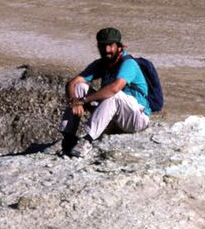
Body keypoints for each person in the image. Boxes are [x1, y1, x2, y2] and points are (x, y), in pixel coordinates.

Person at [60, 27, 150, 157]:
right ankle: (68, 137)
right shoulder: (102, 63)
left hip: (135, 119)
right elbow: (72, 83)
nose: (107, 50)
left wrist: (83, 101)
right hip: (112, 118)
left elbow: (114, 88)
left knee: (114, 94)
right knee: (80, 87)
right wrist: (74, 101)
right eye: (103, 46)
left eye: (111, 45)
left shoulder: (128, 63)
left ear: (119, 46)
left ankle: (87, 140)